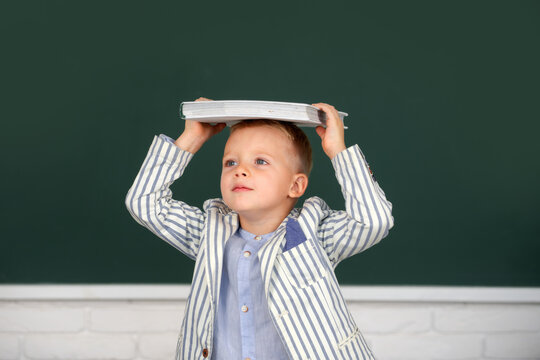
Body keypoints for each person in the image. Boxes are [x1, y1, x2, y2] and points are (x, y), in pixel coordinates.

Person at [125, 98, 394, 359]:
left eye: (260, 161)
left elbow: (374, 221)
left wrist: (338, 150)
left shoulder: (316, 232)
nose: (240, 170)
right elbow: (144, 203)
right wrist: (192, 139)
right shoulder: (210, 232)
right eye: (230, 162)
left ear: (296, 186)